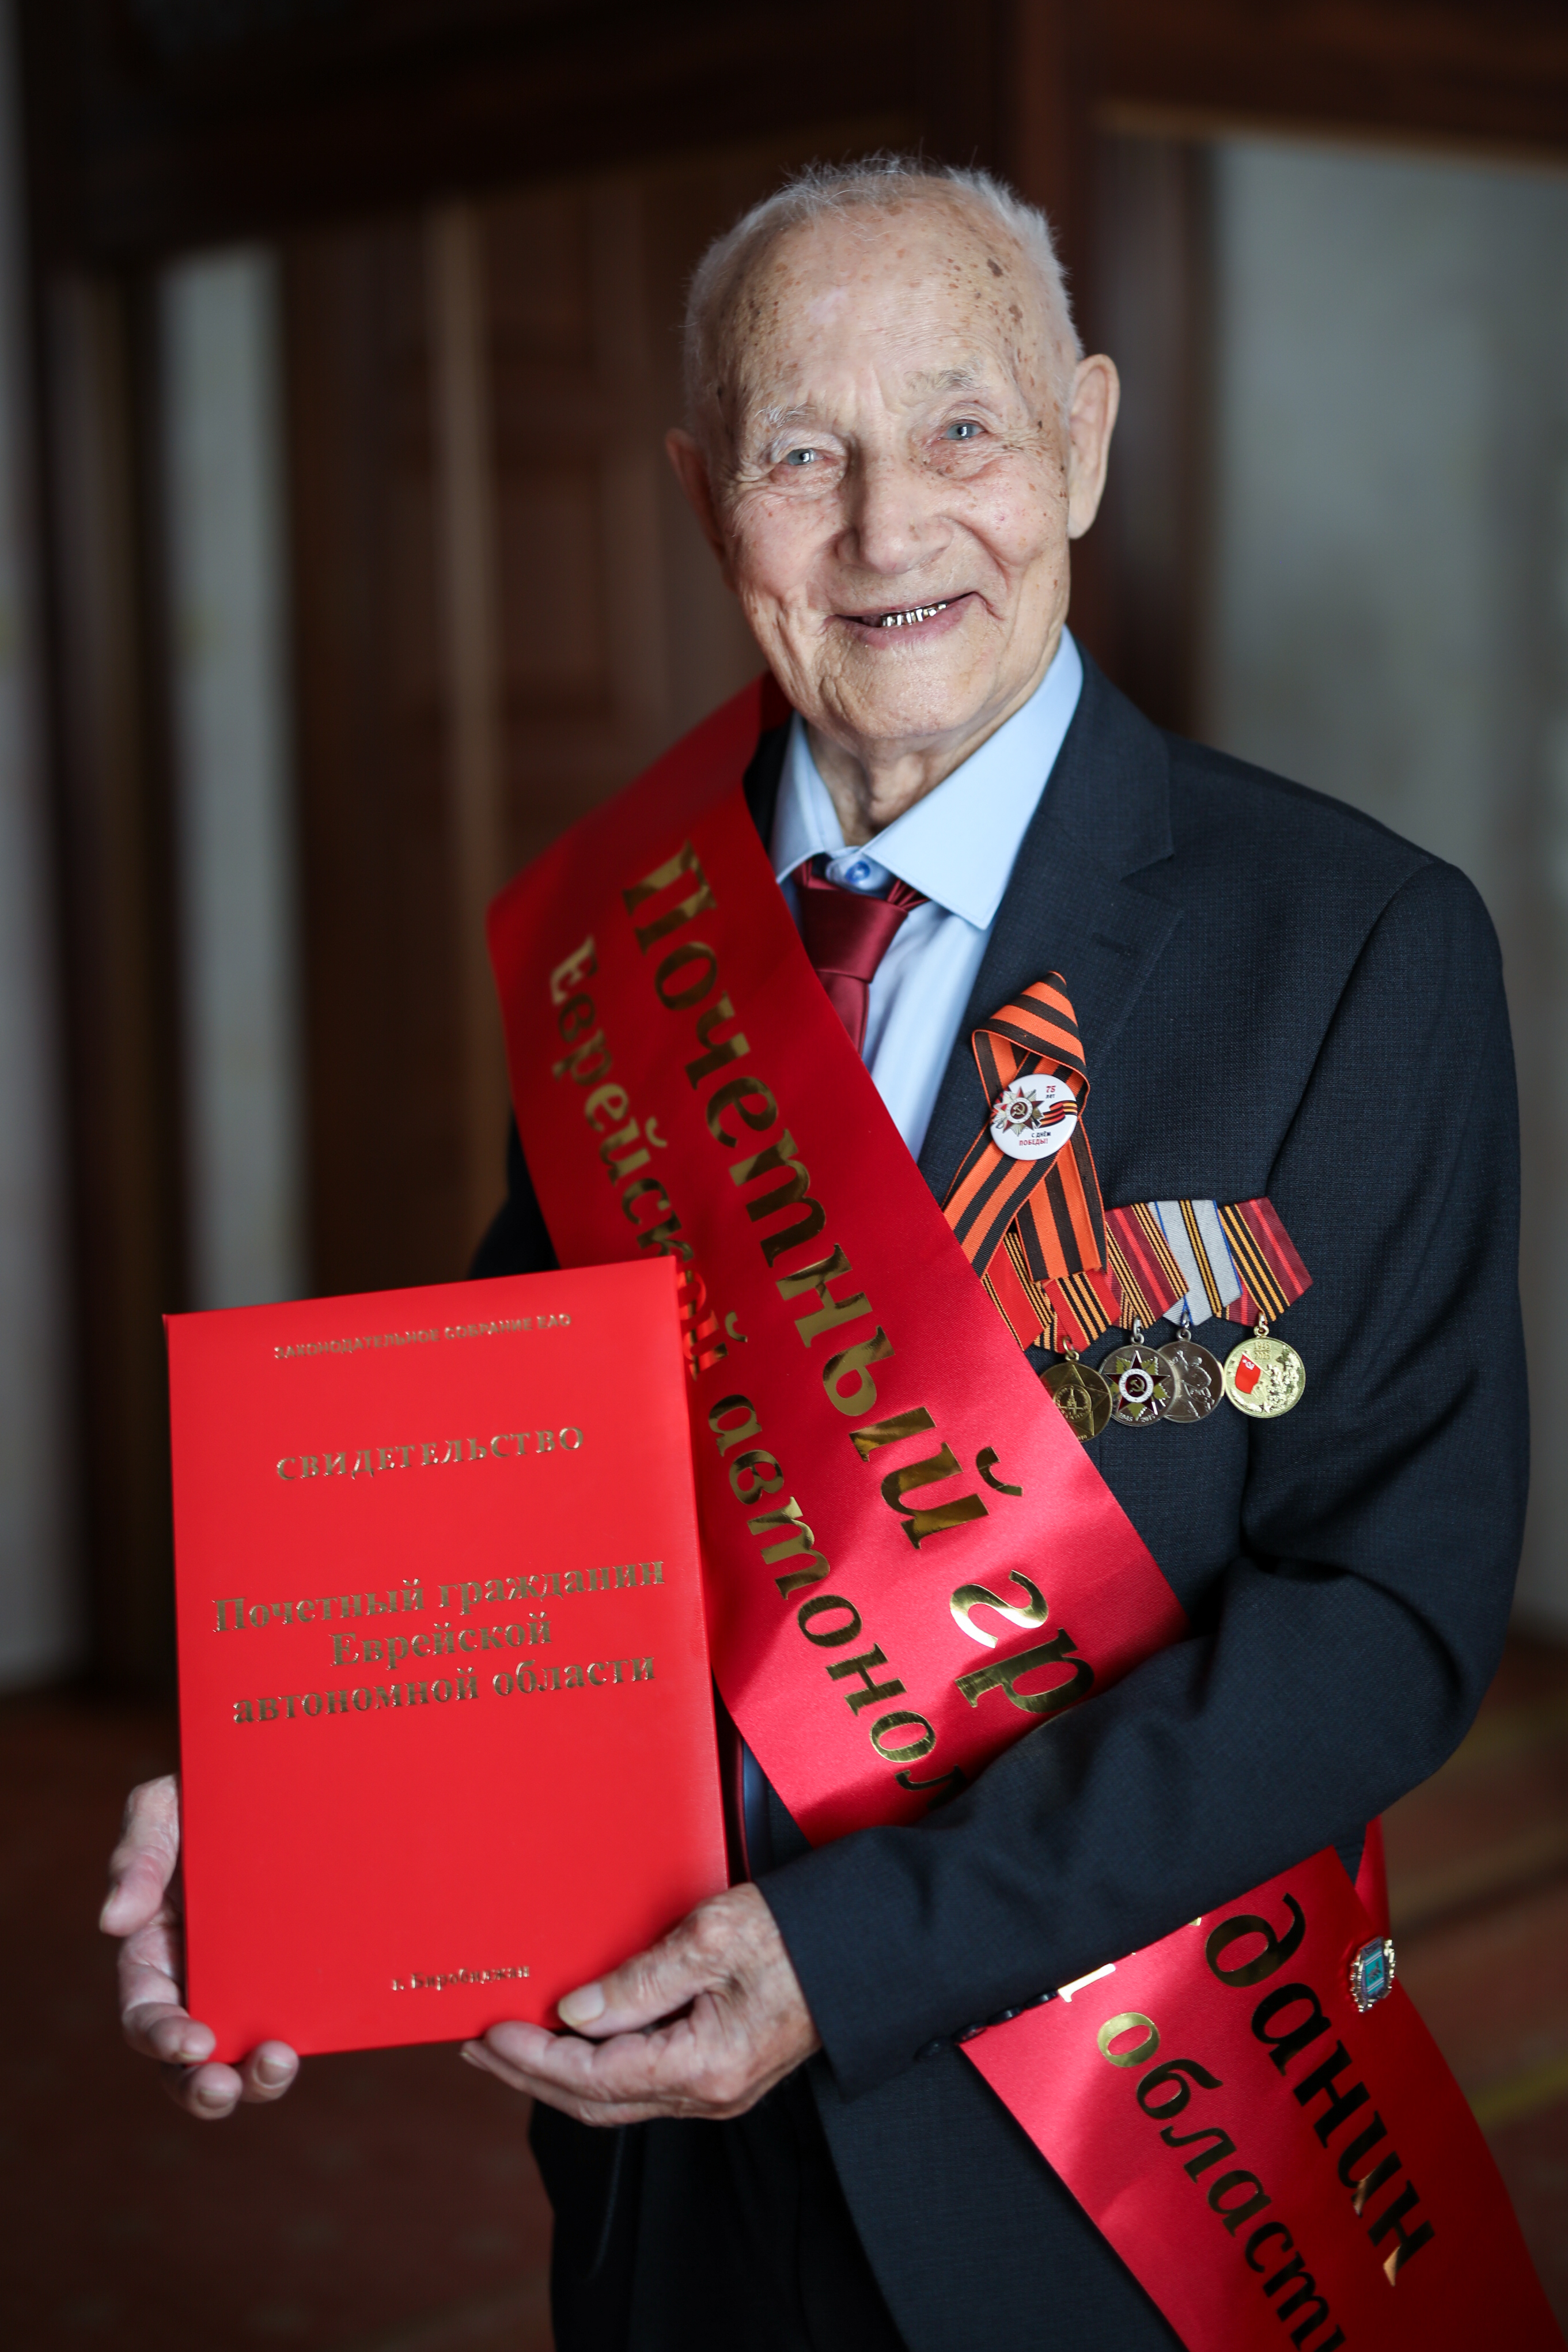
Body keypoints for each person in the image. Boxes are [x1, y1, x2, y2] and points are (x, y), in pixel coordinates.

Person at [104, 159, 1527, 2350]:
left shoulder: (1352, 950)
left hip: (1108, 2166)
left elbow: (1384, 1619)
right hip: (657, 2155)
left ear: (1082, 441)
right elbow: (510, 1475)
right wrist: (284, 1795)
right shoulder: (616, 941)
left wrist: (842, 1956)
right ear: (704, 499)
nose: (885, 529)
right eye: (798, 453)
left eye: (960, 427)